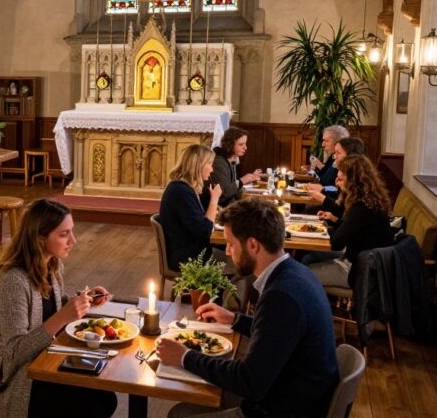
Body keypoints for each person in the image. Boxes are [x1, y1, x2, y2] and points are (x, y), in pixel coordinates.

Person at [157, 199, 339, 418]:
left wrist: (185, 357)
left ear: (253, 245)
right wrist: (234, 319)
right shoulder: (296, 273)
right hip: (295, 392)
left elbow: (249, 381)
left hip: (282, 407)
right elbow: (278, 334)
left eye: (231, 244)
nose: (227, 251)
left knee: (178, 414)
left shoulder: (281, 296)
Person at [0, 199, 117, 418]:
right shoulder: (12, 281)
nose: (73, 240)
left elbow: (49, 305)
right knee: (92, 407)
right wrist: (63, 316)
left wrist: (82, 299)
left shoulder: (50, 264)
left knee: (105, 398)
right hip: (8, 380)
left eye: (72, 232)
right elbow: (14, 353)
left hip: (41, 363)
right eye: (63, 234)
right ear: (39, 238)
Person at [307, 154, 396, 287]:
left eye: (341, 180)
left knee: (302, 274)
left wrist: (315, 231)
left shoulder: (362, 207)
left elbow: (337, 243)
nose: (337, 183)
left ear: (354, 181)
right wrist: (335, 221)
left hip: (359, 270)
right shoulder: (369, 199)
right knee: (308, 257)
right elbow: (353, 231)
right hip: (360, 260)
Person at [159, 144, 223, 271]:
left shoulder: (184, 188)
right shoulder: (180, 192)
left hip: (191, 249)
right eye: (209, 164)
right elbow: (206, 230)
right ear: (198, 165)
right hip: (186, 257)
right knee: (236, 259)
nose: (212, 169)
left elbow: (201, 223)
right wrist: (214, 200)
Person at [202, 127, 262, 207]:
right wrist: (242, 181)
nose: (245, 148)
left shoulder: (230, 161)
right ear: (230, 145)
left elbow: (234, 191)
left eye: (245, 144)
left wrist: (250, 180)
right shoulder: (219, 163)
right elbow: (223, 193)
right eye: (241, 144)